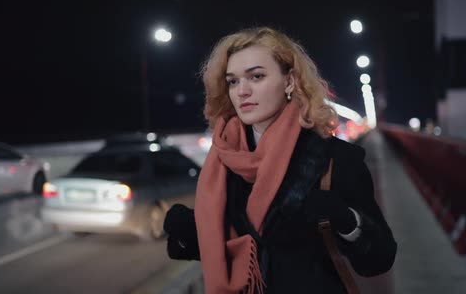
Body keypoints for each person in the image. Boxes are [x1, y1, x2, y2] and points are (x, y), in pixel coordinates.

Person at [163, 26, 397, 294]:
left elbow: (380, 259)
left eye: (257, 76)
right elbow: (237, 251)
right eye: (233, 81)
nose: (242, 91)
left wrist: (349, 221)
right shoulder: (223, 162)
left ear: (290, 82)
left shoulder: (333, 158)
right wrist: (195, 233)